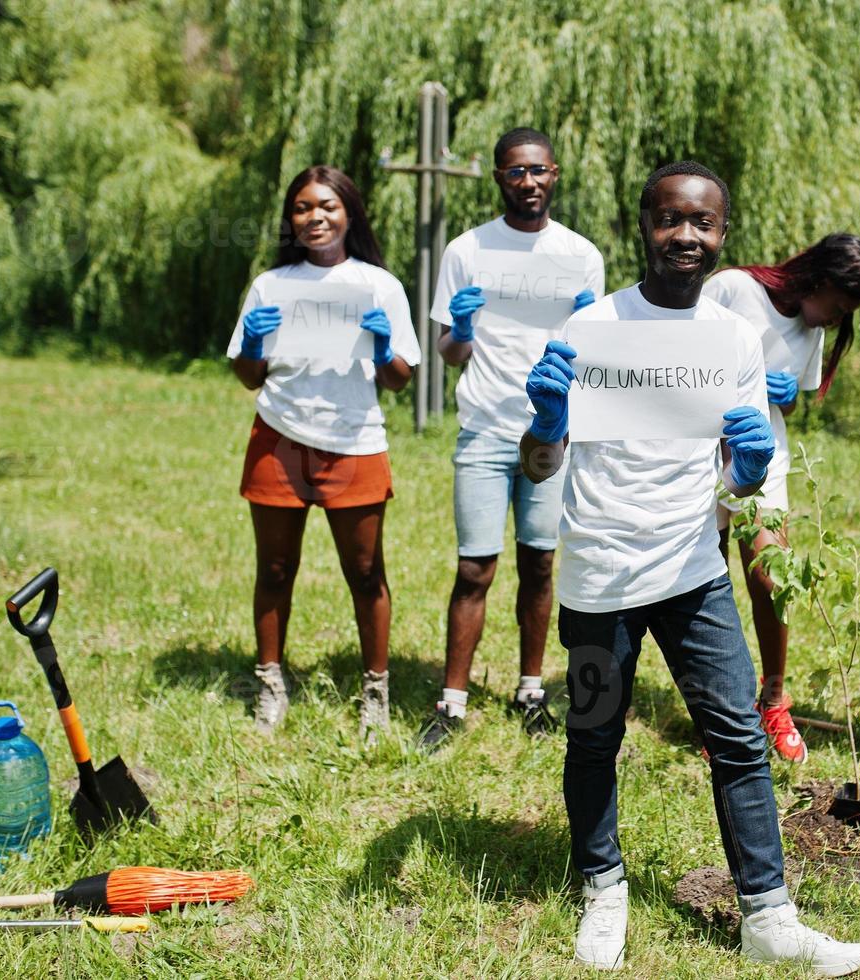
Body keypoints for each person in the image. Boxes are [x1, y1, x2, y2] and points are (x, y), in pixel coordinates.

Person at [520, 161, 860, 975]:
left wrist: (748, 470)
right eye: (670, 219)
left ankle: (767, 917)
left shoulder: (733, 338)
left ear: (722, 235)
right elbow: (540, 467)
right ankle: (603, 888)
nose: (686, 235)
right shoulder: (588, 331)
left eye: (703, 224)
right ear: (642, 224)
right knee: (592, 738)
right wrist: (545, 424)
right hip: (599, 578)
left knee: (739, 738)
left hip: (692, 572)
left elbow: (738, 481)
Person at [417, 128, 605, 751]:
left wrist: (587, 329)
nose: (528, 182)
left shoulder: (581, 255)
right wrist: (462, 327)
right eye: (515, 172)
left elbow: (592, 356)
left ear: (555, 174)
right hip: (484, 427)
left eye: (538, 170)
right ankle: (452, 701)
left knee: (540, 562)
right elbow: (450, 351)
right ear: (499, 177)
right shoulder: (467, 250)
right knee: (475, 567)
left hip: (551, 432)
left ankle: (531, 689)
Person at [227, 165, 421, 746]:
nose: (316, 216)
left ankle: (375, 692)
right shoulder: (270, 285)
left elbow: (399, 379)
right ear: (291, 219)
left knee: (365, 573)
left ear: (350, 214)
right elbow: (248, 375)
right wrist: (254, 343)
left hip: (355, 441)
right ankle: (271, 683)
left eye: (328, 206)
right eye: (303, 207)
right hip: (279, 438)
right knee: (275, 569)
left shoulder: (378, 285)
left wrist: (385, 345)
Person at [703, 234, 860, 762]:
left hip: (764, 459)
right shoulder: (733, 290)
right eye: (837, 304)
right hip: (702, 455)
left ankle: (774, 700)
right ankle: (719, 712)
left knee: (770, 577)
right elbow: (679, 360)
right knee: (704, 589)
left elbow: (794, 404)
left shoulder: (813, 329)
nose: (834, 319)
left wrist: (783, 397)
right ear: (818, 278)